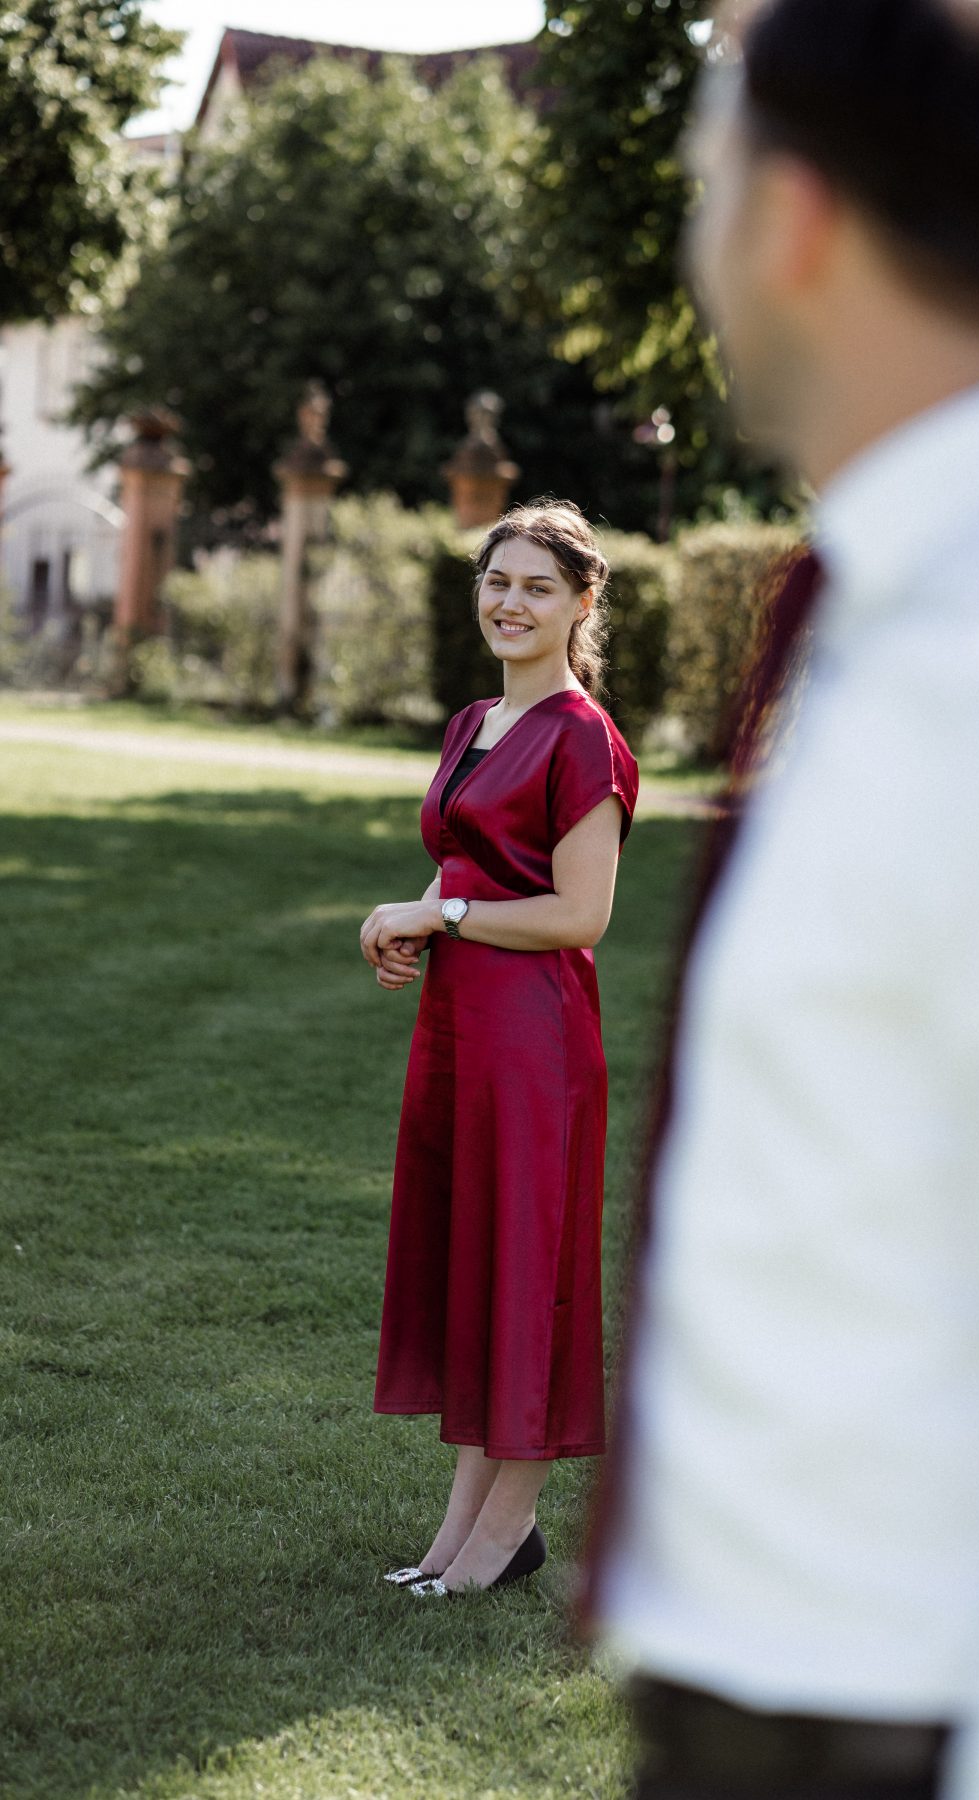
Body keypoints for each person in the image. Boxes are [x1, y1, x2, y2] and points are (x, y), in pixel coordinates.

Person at [579, 3, 979, 1798]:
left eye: (704, 185)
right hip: (767, 1694)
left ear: (793, 221)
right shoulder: (918, 612)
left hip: (902, 1732)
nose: (697, 248)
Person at [359, 498, 639, 1597]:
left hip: (535, 1040)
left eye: (537, 587)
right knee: (478, 1266)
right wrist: (409, 920)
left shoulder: (583, 737)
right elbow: (466, 867)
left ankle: (507, 1527)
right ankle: (463, 1534)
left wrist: (445, 916)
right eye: (498, 581)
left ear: (581, 603)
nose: (511, 603)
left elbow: (580, 915)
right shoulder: (473, 721)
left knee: (526, 1273)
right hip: (460, 1030)